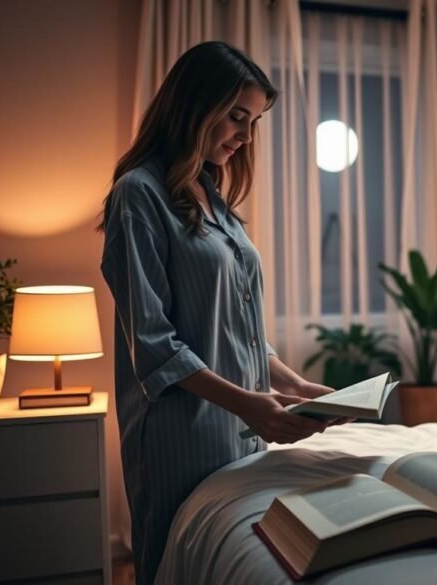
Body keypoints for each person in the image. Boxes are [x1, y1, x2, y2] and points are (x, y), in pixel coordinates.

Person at [98, 41, 342, 585]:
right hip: (179, 439)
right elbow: (156, 346)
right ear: (193, 104)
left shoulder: (213, 200)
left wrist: (297, 386)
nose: (246, 136)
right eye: (237, 117)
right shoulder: (137, 195)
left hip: (239, 430)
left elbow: (239, 329)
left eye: (253, 121)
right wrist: (250, 406)